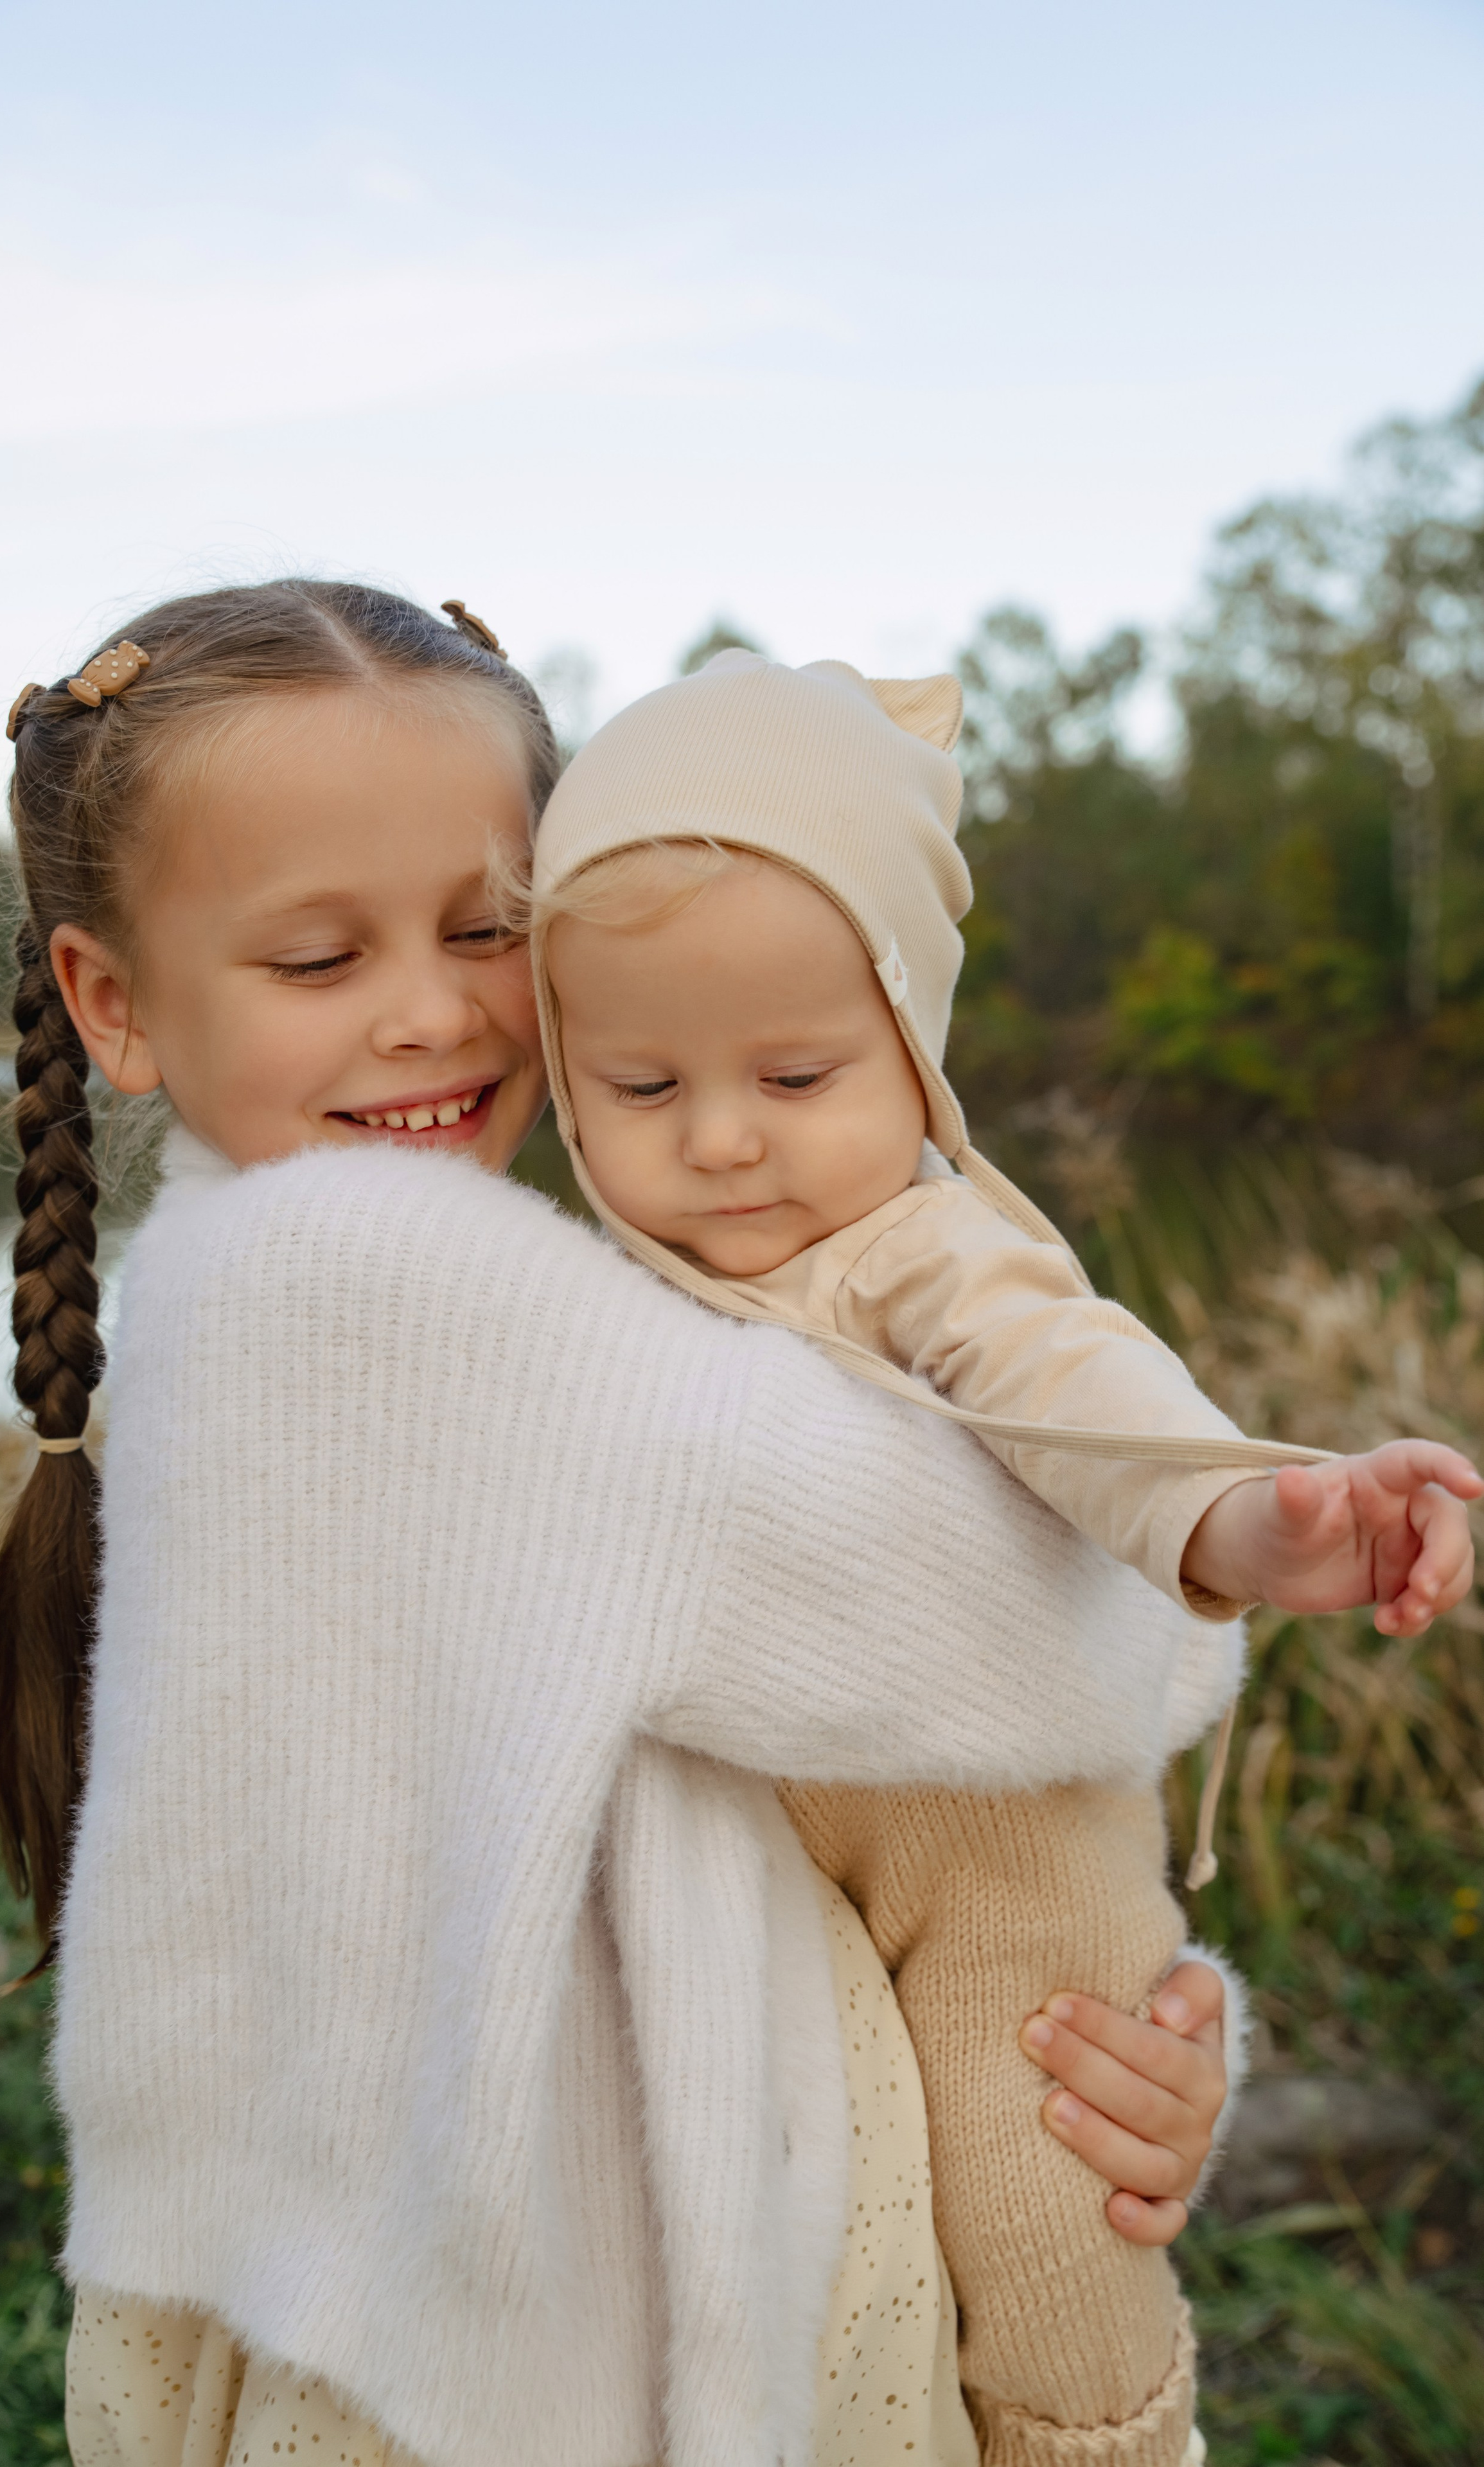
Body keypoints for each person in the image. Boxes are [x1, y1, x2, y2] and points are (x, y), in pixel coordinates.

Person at [0, 583, 1242, 2467]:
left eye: (487, 929)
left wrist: (1130, 2038)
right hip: (594, 2339)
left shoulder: (360, 1320)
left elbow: (862, 1790)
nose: (428, 1011)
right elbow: (1082, 1641)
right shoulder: (375, 1323)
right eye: (319, 959)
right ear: (115, 1002)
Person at [524, 649, 1480, 2467]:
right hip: (765, 1853)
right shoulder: (587, 1296)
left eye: (796, 1072)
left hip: (1001, 1856)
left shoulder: (919, 1253)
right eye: (640, 1085)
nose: (722, 1143)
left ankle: (1100, 2437)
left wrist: (1246, 1513)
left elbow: (1074, 1384)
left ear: (912, 1040)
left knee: (1047, 2184)